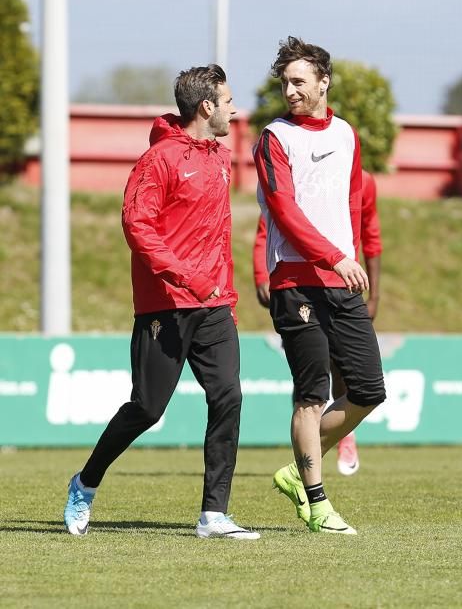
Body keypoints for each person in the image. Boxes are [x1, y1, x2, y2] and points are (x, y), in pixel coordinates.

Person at [64, 64, 260, 540]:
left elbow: (217, 235)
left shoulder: (219, 156)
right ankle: (85, 483)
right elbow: (138, 227)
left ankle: (214, 514)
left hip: (214, 306)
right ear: (206, 106)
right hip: (165, 307)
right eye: (228, 100)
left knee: (228, 395)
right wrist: (186, 275)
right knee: (147, 409)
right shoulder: (159, 160)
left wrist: (225, 295)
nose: (235, 108)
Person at [254, 36, 386, 535]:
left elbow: (352, 203)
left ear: (324, 82)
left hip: (341, 280)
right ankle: (316, 500)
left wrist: (350, 260)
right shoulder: (273, 138)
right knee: (310, 395)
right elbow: (284, 213)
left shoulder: (348, 134)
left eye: (299, 82)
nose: (290, 90)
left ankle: (297, 468)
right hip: (296, 281)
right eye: (285, 82)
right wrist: (334, 256)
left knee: (369, 391)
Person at [253, 168, 382, 476]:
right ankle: (309, 474)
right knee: (311, 383)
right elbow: (267, 226)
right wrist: (261, 274)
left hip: (342, 286)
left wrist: (375, 296)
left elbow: (371, 235)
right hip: (297, 287)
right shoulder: (295, 177)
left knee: (360, 383)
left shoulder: (363, 181)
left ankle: (340, 436)